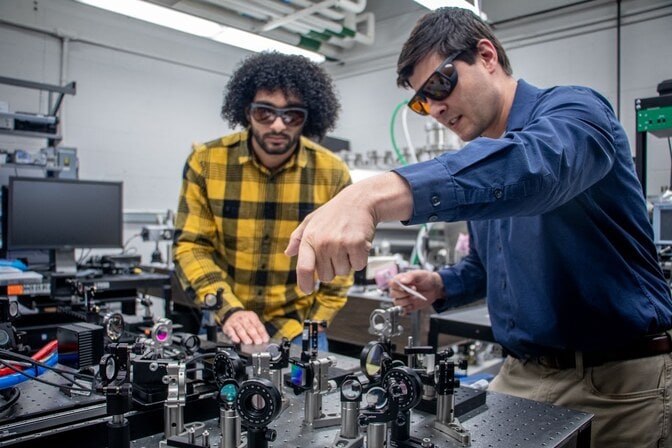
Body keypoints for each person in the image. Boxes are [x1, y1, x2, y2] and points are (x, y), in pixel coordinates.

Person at [285, 7, 672, 448]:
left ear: (486, 55)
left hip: (617, 386)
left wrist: (373, 193)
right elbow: (489, 270)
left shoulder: (576, 111)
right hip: (521, 376)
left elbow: (538, 170)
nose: (434, 109)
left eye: (439, 85)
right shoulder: (484, 161)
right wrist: (440, 283)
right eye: (421, 101)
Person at [173, 51, 353, 351]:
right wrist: (228, 309)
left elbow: (342, 259)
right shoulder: (206, 162)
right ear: (246, 111)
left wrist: (318, 321)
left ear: (308, 117)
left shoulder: (331, 174)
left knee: (305, 399)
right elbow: (191, 245)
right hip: (226, 323)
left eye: (292, 114)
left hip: (300, 329)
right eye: (264, 112)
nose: (278, 125)